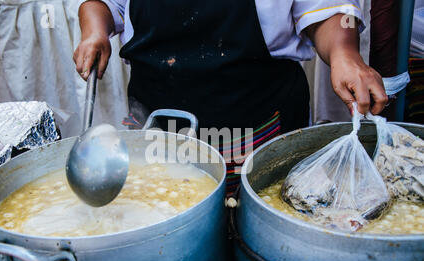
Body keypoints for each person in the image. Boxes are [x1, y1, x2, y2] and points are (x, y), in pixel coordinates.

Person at [74, 0, 389, 195]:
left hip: (259, 135)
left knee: (258, 238)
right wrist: (94, 31)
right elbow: (102, 4)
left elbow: (324, 8)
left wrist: (343, 53)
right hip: (158, 140)